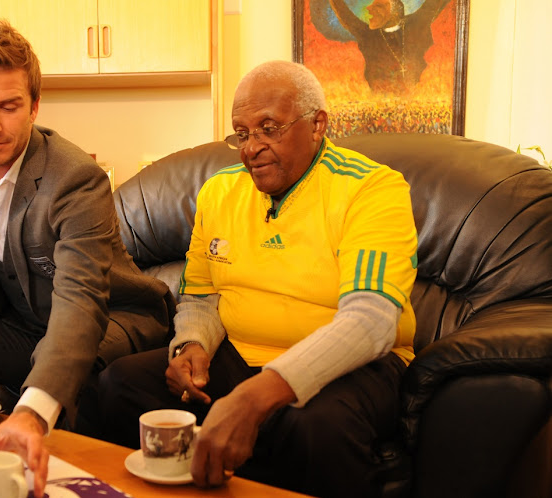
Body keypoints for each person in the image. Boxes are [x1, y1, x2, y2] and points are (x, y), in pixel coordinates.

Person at [96, 60, 418, 498]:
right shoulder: (219, 191)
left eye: (270, 128)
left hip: (354, 366)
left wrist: (255, 396)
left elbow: (370, 322)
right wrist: (192, 345)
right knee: (120, 384)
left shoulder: (372, 189)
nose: (252, 148)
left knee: (313, 428)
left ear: (318, 124)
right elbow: (200, 296)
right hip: (241, 355)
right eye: (242, 133)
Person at [0, 18, 174, 498]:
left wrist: (31, 414)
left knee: (73, 362)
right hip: (28, 322)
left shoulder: (76, 178)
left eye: (8, 106)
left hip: (114, 317)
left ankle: (58, 464)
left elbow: (81, 302)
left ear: (34, 106)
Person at [328, 0, 450, 95]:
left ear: (395, 13)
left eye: (378, 7)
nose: (369, 9)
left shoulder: (416, 24)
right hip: (380, 100)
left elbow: (433, 4)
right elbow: (345, 15)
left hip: (418, 96)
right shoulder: (367, 35)